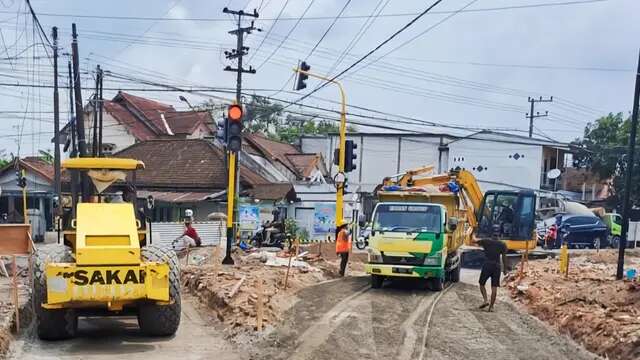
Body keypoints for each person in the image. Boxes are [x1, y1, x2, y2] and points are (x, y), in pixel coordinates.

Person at [473, 236, 508, 312]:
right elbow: (504, 257)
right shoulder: (502, 244)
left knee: (481, 284)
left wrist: (472, 234)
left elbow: (474, 241)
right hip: (497, 267)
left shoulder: (486, 241)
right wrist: (505, 269)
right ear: (499, 237)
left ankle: (485, 300)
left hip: (487, 265)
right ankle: (491, 307)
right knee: (494, 287)